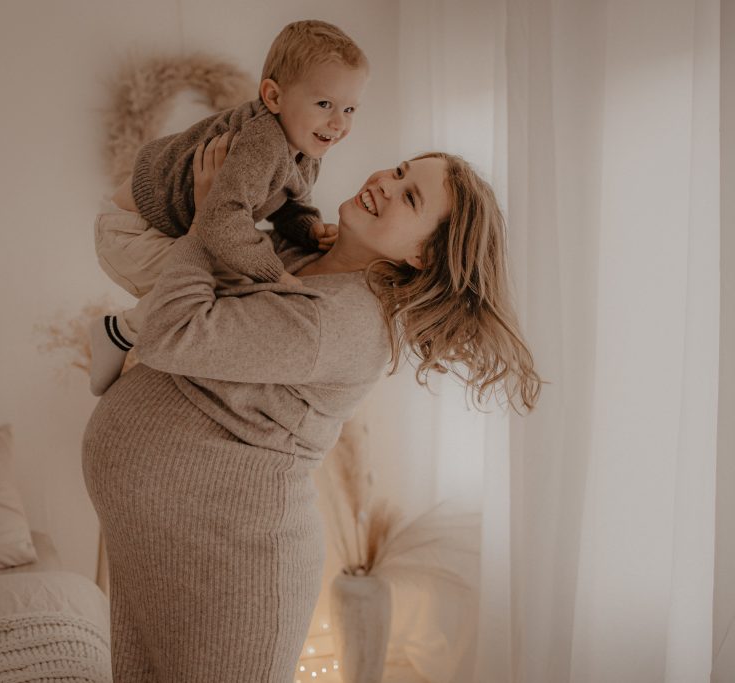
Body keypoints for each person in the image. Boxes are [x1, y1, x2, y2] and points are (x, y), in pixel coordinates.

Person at [82, 138, 542, 681]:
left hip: (232, 570)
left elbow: (171, 330)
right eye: (397, 170)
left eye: (410, 197)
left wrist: (212, 221)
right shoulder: (302, 256)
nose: (385, 184)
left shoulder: (347, 323)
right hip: (167, 547)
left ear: (423, 257)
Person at [87, 19, 370, 395]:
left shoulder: (307, 148)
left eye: (350, 109)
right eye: (324, 104)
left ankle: (132, 335)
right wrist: (272, 273)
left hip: (161, 225)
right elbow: (222, 216)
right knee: (232, 285)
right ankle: (118, 332)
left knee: (231, 279)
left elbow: (290, 203)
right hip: (132, 230)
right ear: (273, 97)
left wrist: (308, 228)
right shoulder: (263, 142)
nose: (338, 123)